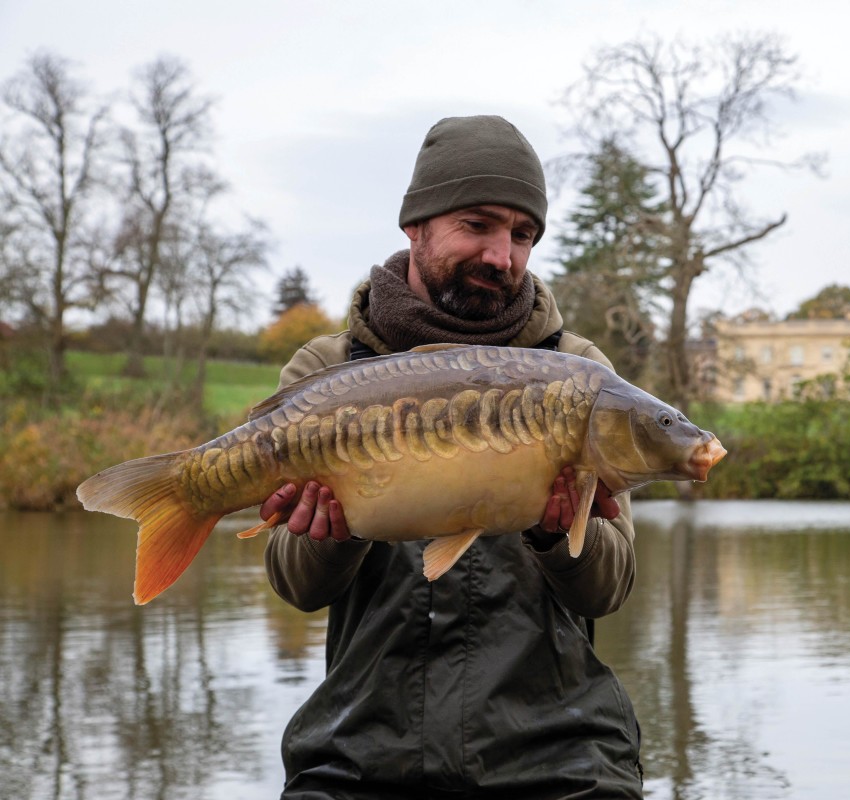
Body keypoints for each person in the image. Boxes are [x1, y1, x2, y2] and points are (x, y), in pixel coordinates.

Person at [258, 115, 643, 799]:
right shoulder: (327, 369)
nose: (503, 255)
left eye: (522, 235)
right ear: (416, 225)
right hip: (358, 756)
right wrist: (335, 533)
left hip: (560, 757)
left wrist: (556, 533)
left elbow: (609, 590)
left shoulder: (576, 373)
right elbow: (298, 586)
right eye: (479, 225)